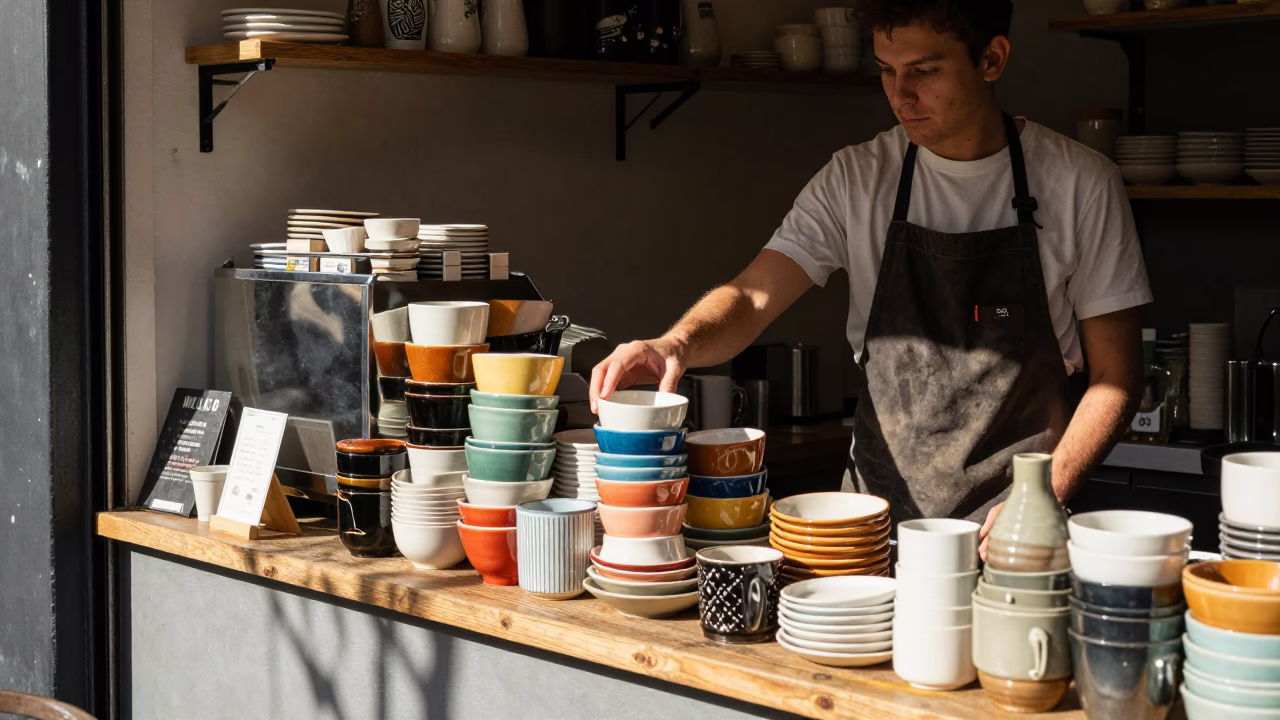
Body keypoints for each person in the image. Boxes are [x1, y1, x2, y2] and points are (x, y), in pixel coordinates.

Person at [588, 0, 1151, 555]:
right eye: (887, 70)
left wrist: (1042, 499)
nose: (900, 94)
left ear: (992, 59)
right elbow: (754, 296)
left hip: (1009, 535)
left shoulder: (1081, 183)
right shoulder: (856, 178)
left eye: (924, 71)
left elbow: (1118, 378)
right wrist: (675, 344)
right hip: (868, 535)